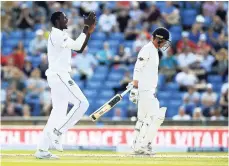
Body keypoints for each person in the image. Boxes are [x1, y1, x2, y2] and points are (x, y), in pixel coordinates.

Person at [35, 11, 96, 159]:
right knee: (83, 103)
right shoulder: (57, 34)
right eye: (64, 17)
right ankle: (58, 132)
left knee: (57, 113)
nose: (67, 19)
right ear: (57, 21)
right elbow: (77, 46)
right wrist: (86, 27)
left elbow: (80, 48)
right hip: (59, 75)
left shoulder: (60, 34)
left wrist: (87, 30)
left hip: (58, 77)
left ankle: (42, 150)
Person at [128, 27, 171, 155]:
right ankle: (145, 145)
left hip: (147, 89)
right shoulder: (147, 49)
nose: (165, 44)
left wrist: (136, 86)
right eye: (164, 41)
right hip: (145, 90)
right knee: (157, 117)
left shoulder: (153, 50)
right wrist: (135, 87)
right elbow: (137, 68)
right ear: (159, 39)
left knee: (142, 119)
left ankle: (136, 146)